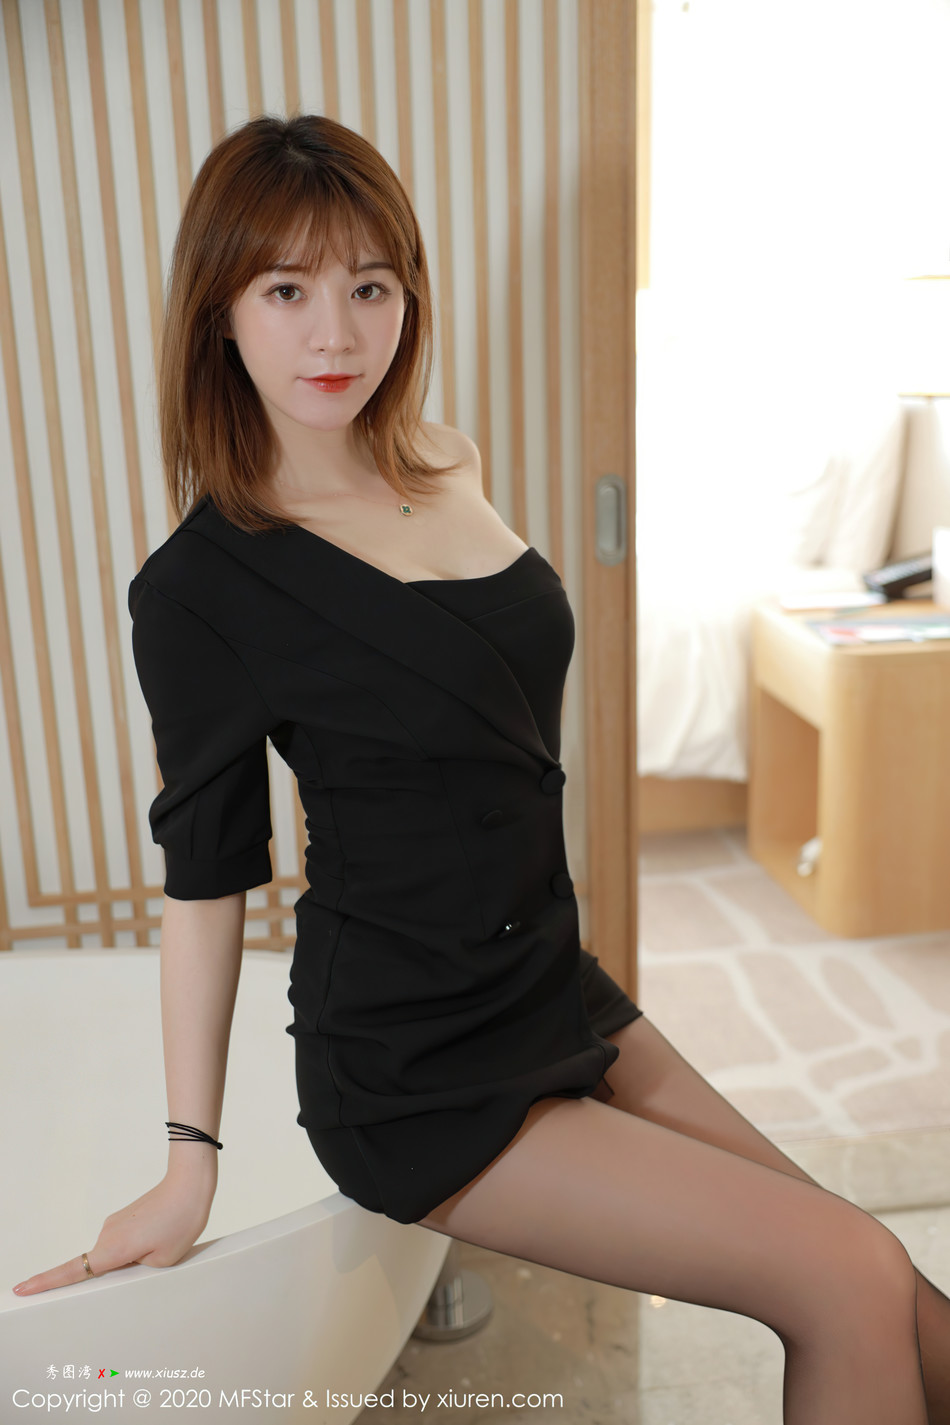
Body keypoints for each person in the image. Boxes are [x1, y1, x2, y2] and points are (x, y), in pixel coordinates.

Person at [11, 114, 948, 1422]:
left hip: (550, 985)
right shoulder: (201, 588)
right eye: (286, 291)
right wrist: (189, 1163)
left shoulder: (446, 460)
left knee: (903, 1294)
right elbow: (206, 884)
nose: (335, 335)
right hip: (413, 1066)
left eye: (369, 287)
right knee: (842, 1273)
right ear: (220, 310)